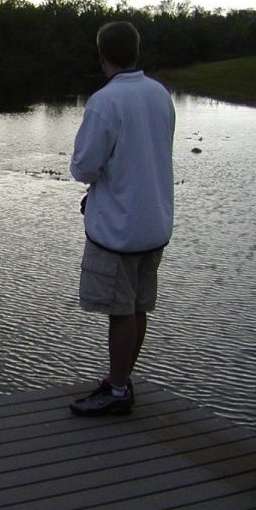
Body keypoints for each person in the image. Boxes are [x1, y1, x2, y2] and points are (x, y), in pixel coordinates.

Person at [68, 21, 175, 416]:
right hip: (155, 224)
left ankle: (115, 391)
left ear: (102, 56)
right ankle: (121, 379)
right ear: (136, 51)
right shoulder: (160, 94)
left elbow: (83, 167)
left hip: (119, 230)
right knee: (137, 306)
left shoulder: (104, 101)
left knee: (121, 311)